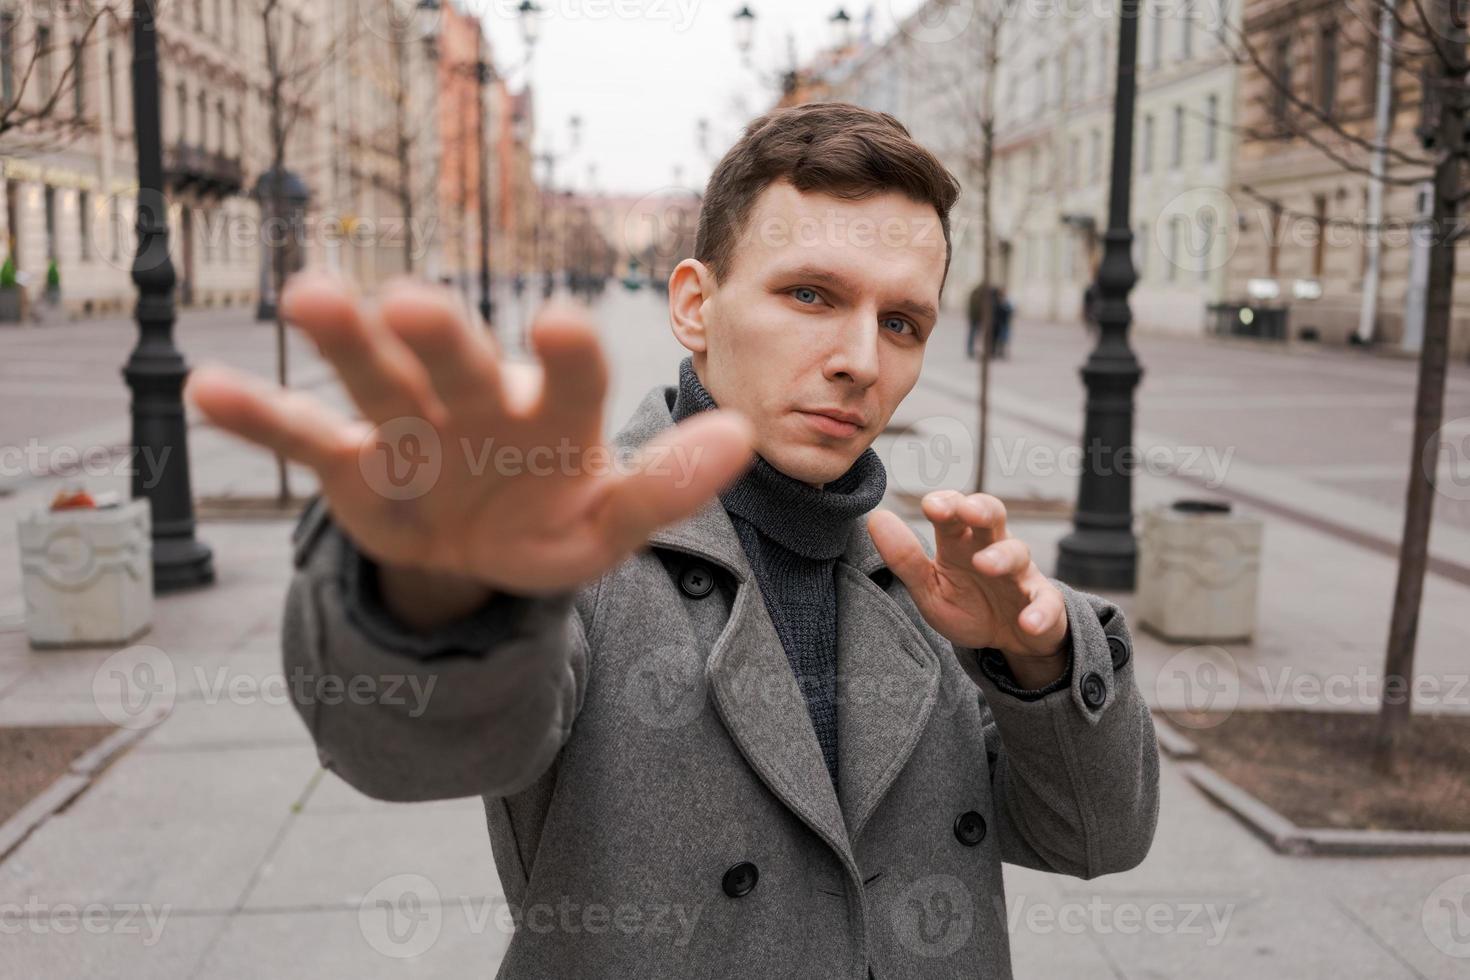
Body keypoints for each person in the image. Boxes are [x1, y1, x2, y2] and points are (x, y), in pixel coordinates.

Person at [188, 102, 1158, 979]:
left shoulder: (935, 578)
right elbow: (410, 747)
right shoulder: (578, 546)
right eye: (812, 295)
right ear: (695, 304)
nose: (862, 360)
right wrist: (440, 590)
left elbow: (1094, 837)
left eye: (901, 321)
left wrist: (1040, 666)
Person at [990, 286, 1014, 360]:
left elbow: (1010, 311)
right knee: (995, 338)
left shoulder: (1006, 302)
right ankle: (994, 351)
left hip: (1003, 323)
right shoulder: (995, 301)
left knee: (1003, 338)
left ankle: (1000, 351)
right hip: (997, 323)